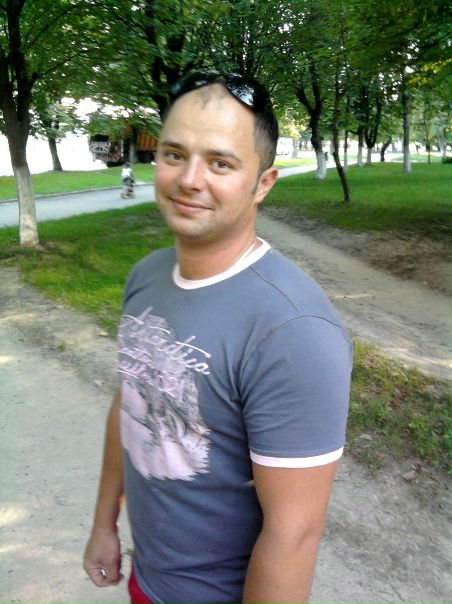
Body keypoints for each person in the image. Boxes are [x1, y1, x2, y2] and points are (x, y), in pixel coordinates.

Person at [83, 71, 352, 604]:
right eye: (174, 154)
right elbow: (130, 400)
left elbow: (294, 535)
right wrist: (104, 523)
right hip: (147, 579)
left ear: (263, 183)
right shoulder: (147, 275)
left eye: (221, 163)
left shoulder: (294, 331)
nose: (189, 179)